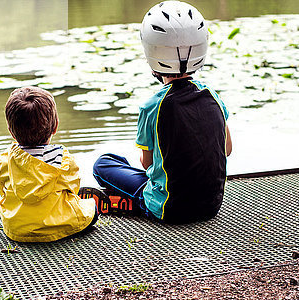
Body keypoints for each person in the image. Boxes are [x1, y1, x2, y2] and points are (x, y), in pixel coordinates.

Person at [91, 1, 232, 224]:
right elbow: (227, 149)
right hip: (211, 206)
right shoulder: (213, 96)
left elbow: (147, 164)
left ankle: (132, 203)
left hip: (169, 209)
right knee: (127, 166)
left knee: (103, 165)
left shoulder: (152, 106)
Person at [0, 87, 97, 242]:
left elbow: (2, 188)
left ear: (11, 131)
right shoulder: (63, 159)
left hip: (17, 228)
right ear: (55, 126)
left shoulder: (5, 159)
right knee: (92, 208)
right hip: (59, 225)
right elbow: (73, 187)